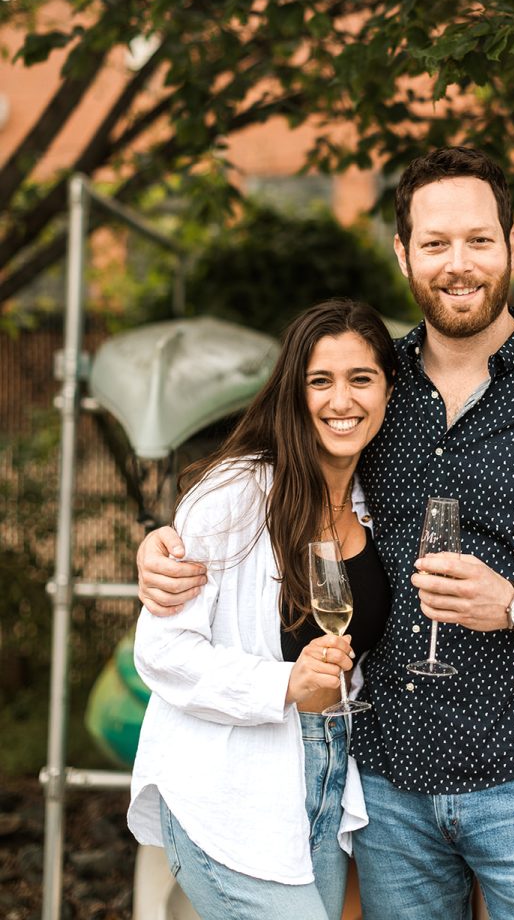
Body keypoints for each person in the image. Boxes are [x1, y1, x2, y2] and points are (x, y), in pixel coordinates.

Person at [138, 147, 514, 920]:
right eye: (435, 243)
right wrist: (165, 544)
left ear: (510, 244)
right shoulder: (367, 385)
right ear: (404, 253)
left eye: (479, 240)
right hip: (388, 782)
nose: (459, 264)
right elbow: (265, 476)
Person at [128, 299, 396, 920]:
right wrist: (285, 684)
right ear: (291, 391)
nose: (341, 401)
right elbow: (163, 651)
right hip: (228, 785)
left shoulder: (376, 500)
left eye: (362, 379)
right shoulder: (234, 496)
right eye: (320, 381)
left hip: (327, 771)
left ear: (387, 390)